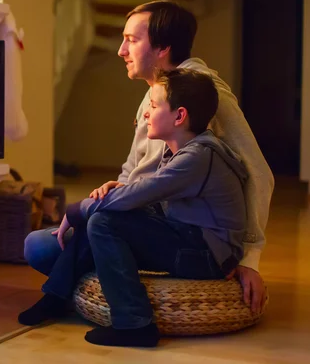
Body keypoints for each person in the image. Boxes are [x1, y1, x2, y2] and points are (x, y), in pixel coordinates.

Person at [24, 0, 274, 314]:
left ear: (162, 48)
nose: (120, 51)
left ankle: (112, 299)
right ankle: (85, 285)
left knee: (48, 246)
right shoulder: (155, 93)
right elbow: (134, 168)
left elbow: (260, 174)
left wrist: (250, 260)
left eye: (131, 40)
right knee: (39, 244)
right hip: (143, 215)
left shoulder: (208, 95)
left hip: (181, 233)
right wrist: (116, 188)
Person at [18, 68, 248, 347]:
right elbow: (146, 194)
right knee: (107, 214)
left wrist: (76, 210)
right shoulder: (184, 150)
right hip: (188, 237)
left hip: (208, 255)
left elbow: (147, 191)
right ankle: (56, 296)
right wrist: (118, 192)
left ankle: (134, 323)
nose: (146, 113)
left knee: (102, 221)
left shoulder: (198, 156)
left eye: (153, 105)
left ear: (179, 116)